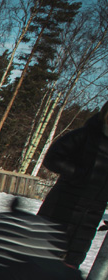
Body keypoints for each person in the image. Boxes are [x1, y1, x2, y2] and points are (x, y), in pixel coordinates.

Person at [37, 100, 108, 267]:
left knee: (70, 266)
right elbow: (52, 158)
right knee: (39, 259)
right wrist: (78, 174)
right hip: (62, 206)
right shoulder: (84, 135)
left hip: (90, 218)